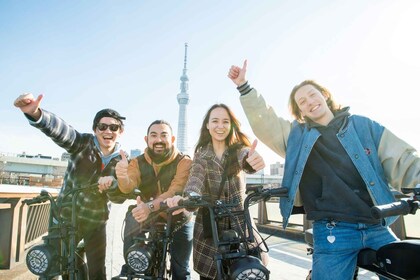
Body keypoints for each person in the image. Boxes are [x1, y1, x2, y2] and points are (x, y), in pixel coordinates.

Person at [228, 60, 420, 280]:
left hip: (376, 225)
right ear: (300, 111)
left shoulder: (363, 126)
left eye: (312, 95)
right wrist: (244, 86)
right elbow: (267, 122)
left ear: (325, 95)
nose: (309, 102)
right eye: (302, 102)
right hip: (333, 231)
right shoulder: (298, 137)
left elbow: (402, 158)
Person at [13, 93, 127, 280]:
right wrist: (36, 114)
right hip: (67, 215)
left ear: (120, 132)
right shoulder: (81, 143)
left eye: (114, 127)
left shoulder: (121, 161)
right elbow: (62, 130)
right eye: (102, 126)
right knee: (59, 264)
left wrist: (113, 185)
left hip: (95, 220)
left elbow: (119, 196)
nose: (108, 131)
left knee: (98, 271)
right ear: (95, 129)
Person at [166, 104, 267, 280]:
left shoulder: (239, 150)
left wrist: (252, 160)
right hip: (209, 226)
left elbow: (246, 157)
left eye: (225, 121)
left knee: (251, 270)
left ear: (231, 125)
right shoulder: (201, 155)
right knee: (211, 273)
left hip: (240, 223)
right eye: (215, 121)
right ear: (207, 125)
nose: (220, 126)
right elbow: (195, 180)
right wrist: (188, 198)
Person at [109, 120, 193, 280]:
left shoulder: (185, 162)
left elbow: (175, 190)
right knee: (132, 216)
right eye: (153, 135)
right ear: (146, 139)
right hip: (148, 215)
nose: (158, 140)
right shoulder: (137, 162)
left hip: (178, 218)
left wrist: (149, 206)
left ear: (173, 139)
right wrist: (122, 176)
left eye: (164, 135)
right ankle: (130, 264)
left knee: (181, 269)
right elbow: (128, 186)